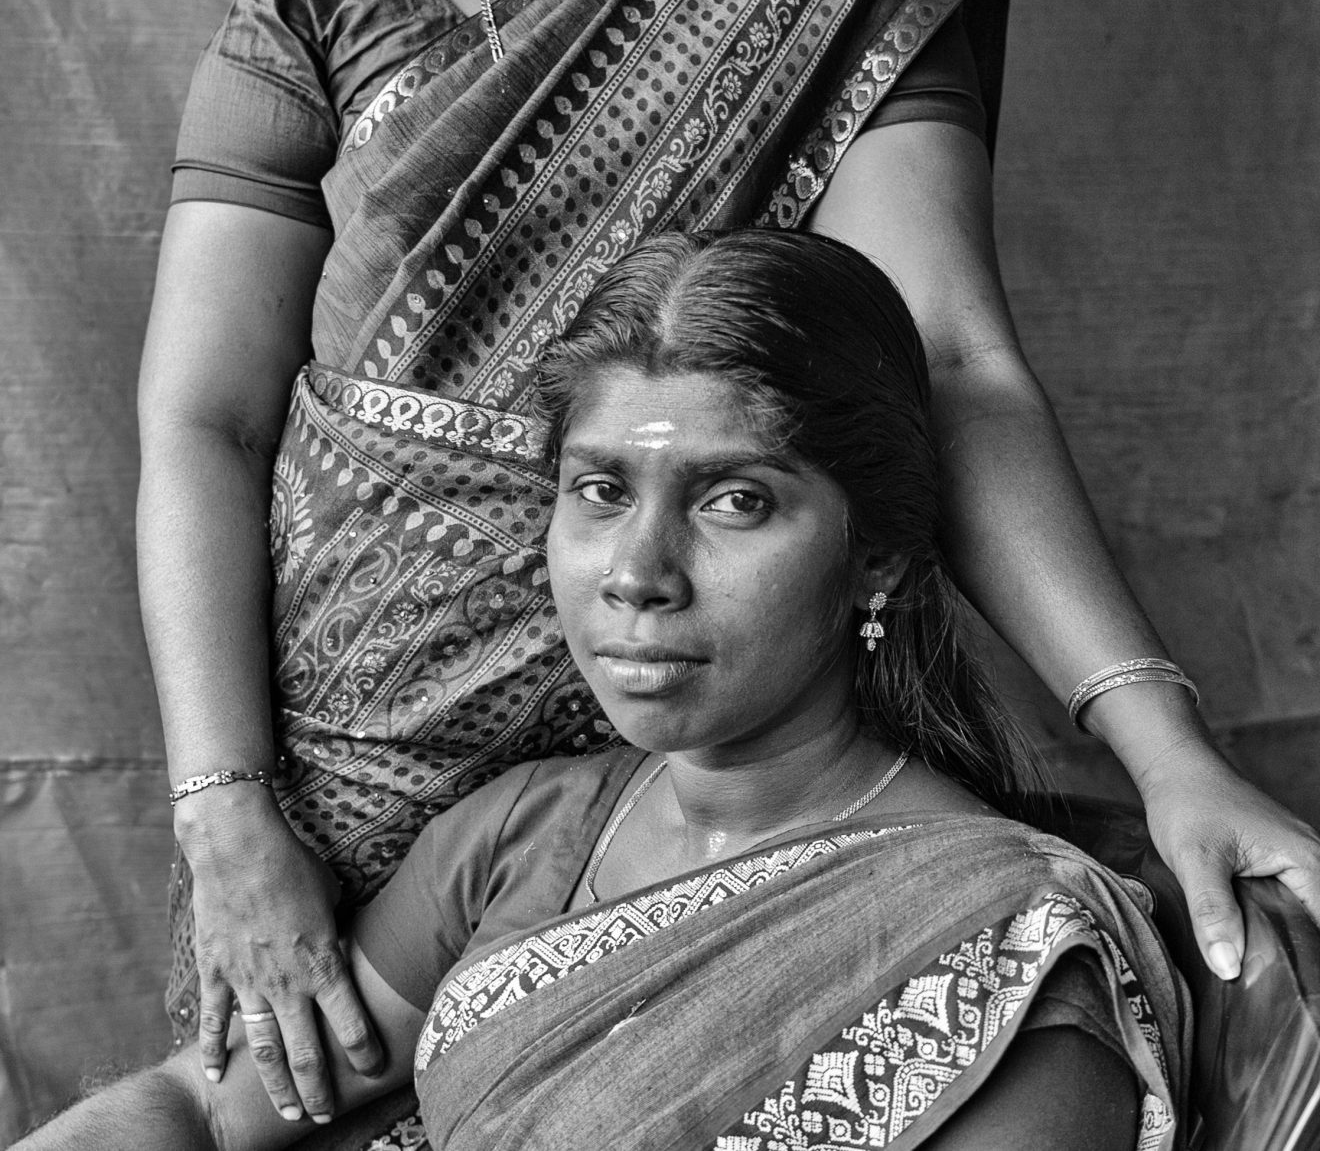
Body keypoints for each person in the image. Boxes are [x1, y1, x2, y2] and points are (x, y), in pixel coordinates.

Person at [138, 0, 1319, 1131]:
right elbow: (204, 423)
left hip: (690, 791)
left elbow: (956, 364)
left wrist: (1162, 748)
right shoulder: (316, 1)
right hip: (322, 822)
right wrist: (226, 810)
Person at [25, 231, 1189, 1150]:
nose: (637, 573)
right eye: (598, 490)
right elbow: (207, 1108)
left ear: (877, 551)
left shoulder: (1007, 953)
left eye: (735, 499)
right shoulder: (528, 830)